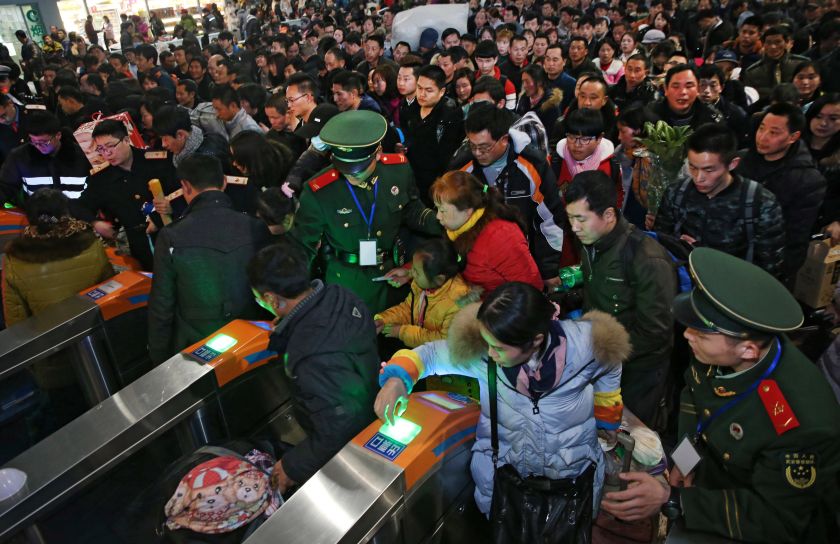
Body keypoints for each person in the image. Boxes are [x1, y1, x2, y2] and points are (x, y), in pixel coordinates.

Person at [600, 247, 840, 544]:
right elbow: (695, 399)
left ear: (748, 350)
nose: (687, 335)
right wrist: (686, 461)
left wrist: (673, 499)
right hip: (709, 484)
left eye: (701, 333)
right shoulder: (718, 355)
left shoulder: (801, 425)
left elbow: (775, 519)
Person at [375, 282, 630, 523]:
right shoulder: (484, 354)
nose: (489, 353)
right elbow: (429, 355)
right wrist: (398, 380)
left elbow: (611, 364)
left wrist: (606, 411)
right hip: (505, 484)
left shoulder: (587, 345)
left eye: (498, 348)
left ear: (536, 340)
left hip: (571, 483)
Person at [249, 239, 379, 492]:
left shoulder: (309, 356)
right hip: (372, 404)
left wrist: (292, 466)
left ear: (272, 299)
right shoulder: (341, 295)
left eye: (259, 299)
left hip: (350, 449)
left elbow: (339, 426)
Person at [290, 110, 441, 314]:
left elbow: (411, 209)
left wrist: (446, 223)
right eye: (344, 169)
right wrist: (294, 297)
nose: (352, 176)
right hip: (348, 285)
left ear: (377, 153)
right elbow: (302, 247)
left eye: (359, 169)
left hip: (394, 276)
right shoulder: (319, 191)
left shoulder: (398, 170)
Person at [566, 170, 677, 427]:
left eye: (581, 219)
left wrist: (608, 352)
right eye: (570, 218)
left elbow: (655, 331)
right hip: (601, 359)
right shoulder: (591, 241)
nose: (574, 228)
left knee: (633, 434)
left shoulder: (647, 259)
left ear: (608, 215)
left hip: (638, 372)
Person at [2, 189, 113, 428]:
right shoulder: (89, 243)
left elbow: (16, 321)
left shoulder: (16, 259)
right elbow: (109, 294)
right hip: (99, 354)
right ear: (64, 213)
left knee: (69, 424)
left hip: (51, 362)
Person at [148, 155, 271, 364]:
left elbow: (162, 303)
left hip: (198, 344)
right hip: (253, 336)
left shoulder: (171, 235)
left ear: (185, 186)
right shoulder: (254, 225)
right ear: (224, 182)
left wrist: (158, 356)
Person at [451, 103, 565, 287]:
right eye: (472, 146)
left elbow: (549, 219)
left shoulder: (532, 165)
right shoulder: (462, 167)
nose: (478, 153)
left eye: (484, 147)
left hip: (521, 261)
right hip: (476, 267)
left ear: (504, 139)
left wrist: (548, 269)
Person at [654, 123, 785, 278]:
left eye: (709, 170)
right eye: (693, 167)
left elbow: (769, 269)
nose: (698, 178)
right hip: (682, 284)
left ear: (732, 164)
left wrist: (702, 254)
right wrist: (679, 246)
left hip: (731, 292)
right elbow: (659, 246)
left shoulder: (760, 204)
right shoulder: (676, 193)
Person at [736, 102, 826, 284]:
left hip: (768, 266)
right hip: (732, 251)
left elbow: (796, 238)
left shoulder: (808, 180)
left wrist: (777, 274)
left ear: (793, 137)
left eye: (774, 133)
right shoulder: (741, 160)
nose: (762, 137)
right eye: (761, 129)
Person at [77, 120, 178, 271]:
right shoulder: (101, 178)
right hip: (138, 244)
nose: (107, 153)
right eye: (101, 149)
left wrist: (160, 216)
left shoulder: (158, 161)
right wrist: (95, 222)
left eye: (110, 146)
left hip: (171, 234)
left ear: (125, 140)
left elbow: (182, 193)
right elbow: (79, 206)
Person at [374, 238, 470, 347]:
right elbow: (408, 309)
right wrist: (383, 320)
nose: (411, 274)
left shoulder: (457, 302)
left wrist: (402, 332)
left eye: (417, 272)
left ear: (439, 279)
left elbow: (443, 342)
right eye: (412, 268)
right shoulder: (424, 284)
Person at [401, 65, 465, 205]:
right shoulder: (409, 110)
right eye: (419, 88)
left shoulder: (450, 117)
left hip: (435, 183)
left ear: (441, 91)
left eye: (429, 90)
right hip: (411, 178)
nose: (422, 94)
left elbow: (449, 157)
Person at [0, 111, 90, 206]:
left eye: (44, 142)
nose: (38, 146)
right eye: (33, 141)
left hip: (76, 215)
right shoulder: (20, 156)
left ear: (58, 135)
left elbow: (97, 187)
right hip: (38, 215)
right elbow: (6, 186)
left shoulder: (83, 155)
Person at [228, 130, 294, 215]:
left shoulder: (285, 173)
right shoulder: (241, 167)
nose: (234, 163)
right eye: (233, 157)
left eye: (238, 159)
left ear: (252, 160)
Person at [805, 94, 840, 244]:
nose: (824, 123)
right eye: (818, 116)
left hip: (824, 227)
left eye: (833, 119)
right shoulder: (792, 144)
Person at [742, 25, 810, 100]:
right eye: (768, 42)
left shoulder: (801, 64)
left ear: (786, 42)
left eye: (778, 42)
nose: (773, 47)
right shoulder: (752, 72)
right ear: (763, 44)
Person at [647, 64, 724, 129]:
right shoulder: (649, 113)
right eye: (676, 86)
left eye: (689, 86)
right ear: (666, 89)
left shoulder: (711, 118)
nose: (682, 92)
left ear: (698, 89)